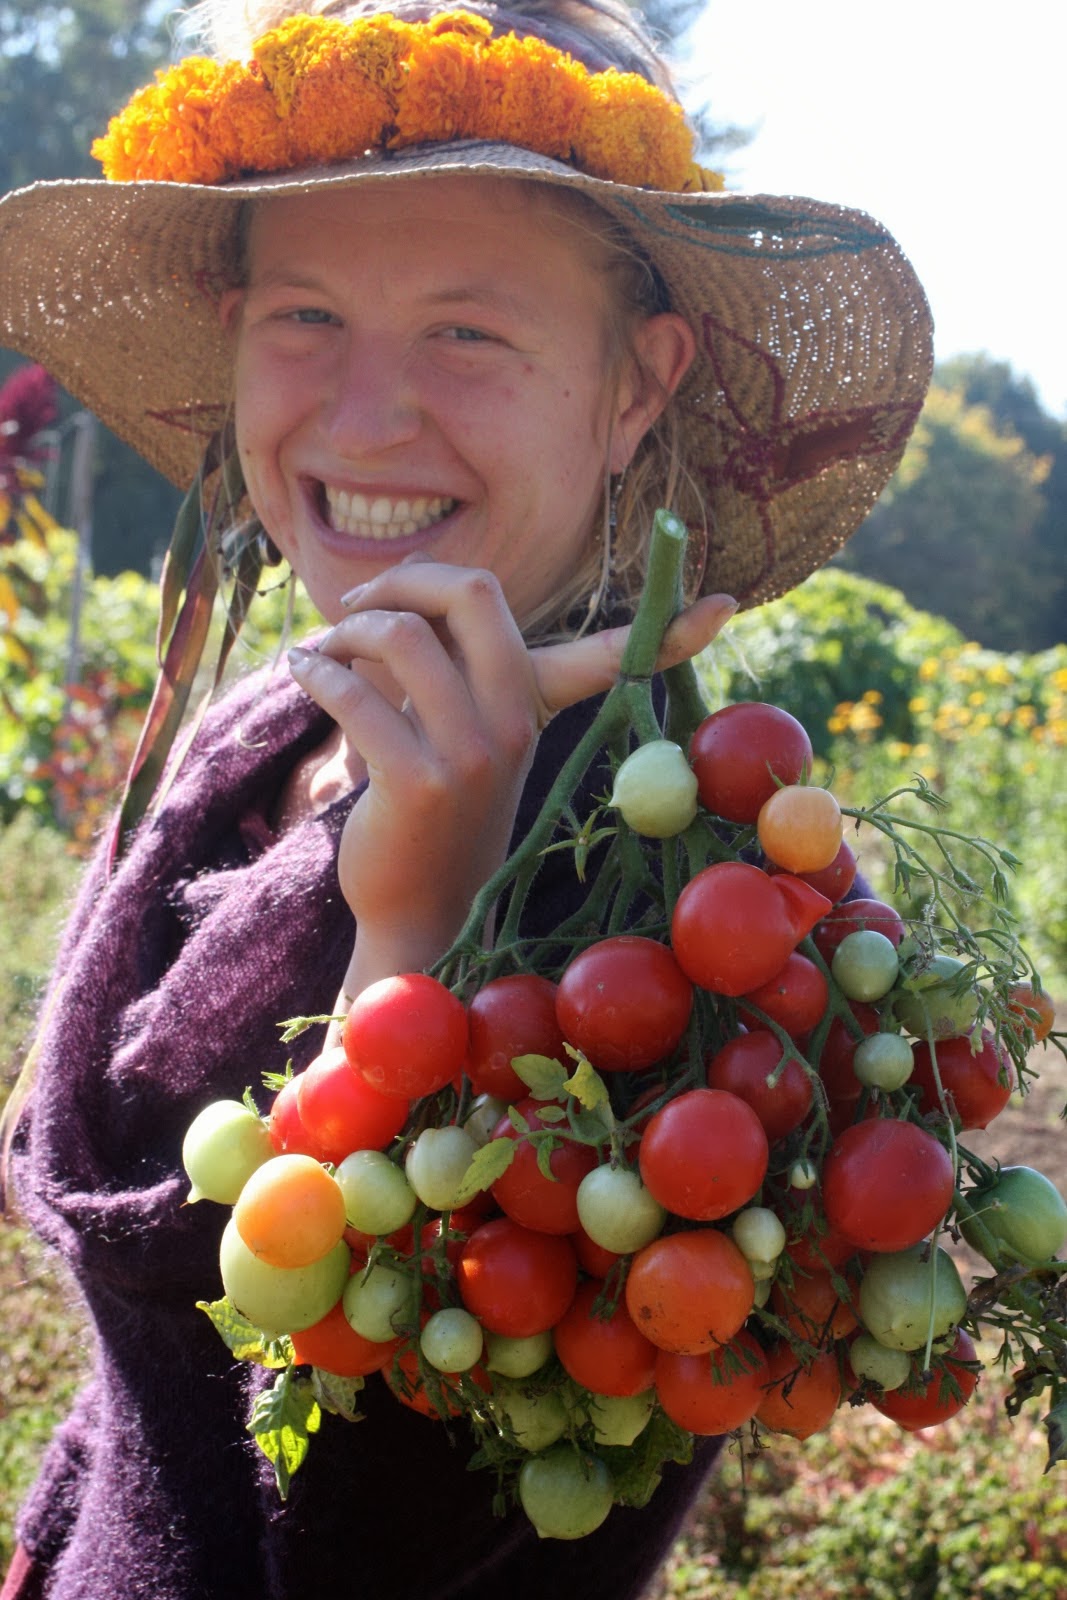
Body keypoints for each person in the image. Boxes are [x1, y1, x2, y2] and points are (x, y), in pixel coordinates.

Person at [0, 2, 933, 1595]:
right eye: (304, 314)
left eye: (466, 332)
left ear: (643, 384)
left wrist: (417, 944)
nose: (365, 417)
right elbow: (132, 1368)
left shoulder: (700, 924)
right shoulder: (261, 734)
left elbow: (376, 1546)